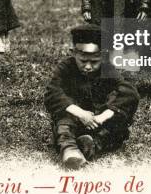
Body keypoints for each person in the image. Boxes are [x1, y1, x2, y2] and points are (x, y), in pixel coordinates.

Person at [44, 24, 140, 169]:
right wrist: (81, 113)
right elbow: (53, 93)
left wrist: (102, 117)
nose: (88, 66)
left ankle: (91, 144)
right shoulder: (65, 68)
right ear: (73, 53)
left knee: (118, 130)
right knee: (64, 120)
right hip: (74, 119)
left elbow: (129, 92)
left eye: (94, 62)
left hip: (98, 122)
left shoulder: (108, 69)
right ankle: (69, 148)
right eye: (83, 61)